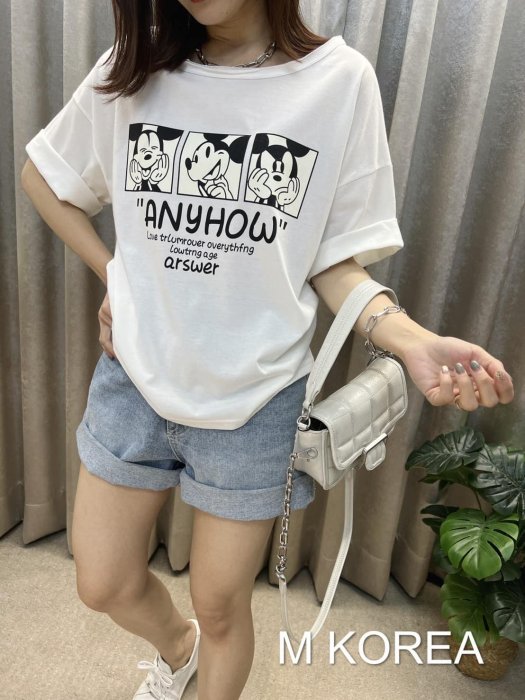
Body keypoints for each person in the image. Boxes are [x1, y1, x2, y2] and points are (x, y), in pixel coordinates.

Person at [20, 1, 515, 698]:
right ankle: (179, 648)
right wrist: (115, 274)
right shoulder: (134, 69)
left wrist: (412, 341)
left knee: (222, 604)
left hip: (256, 400)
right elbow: (45, 176)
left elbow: (332, 260)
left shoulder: (338, 82)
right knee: (102, 581)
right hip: (133, 380)